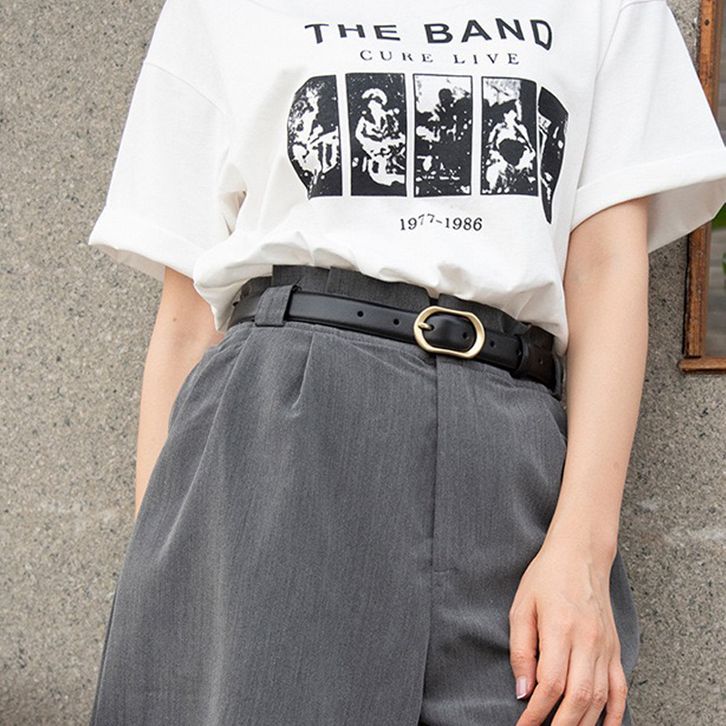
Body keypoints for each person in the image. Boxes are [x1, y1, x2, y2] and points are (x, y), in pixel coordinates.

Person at [85, 1, 726, 724]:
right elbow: (185, 323)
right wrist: (169, 571)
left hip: (509, 446)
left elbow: (606, 270)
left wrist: (583, 551)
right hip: (281, 431)